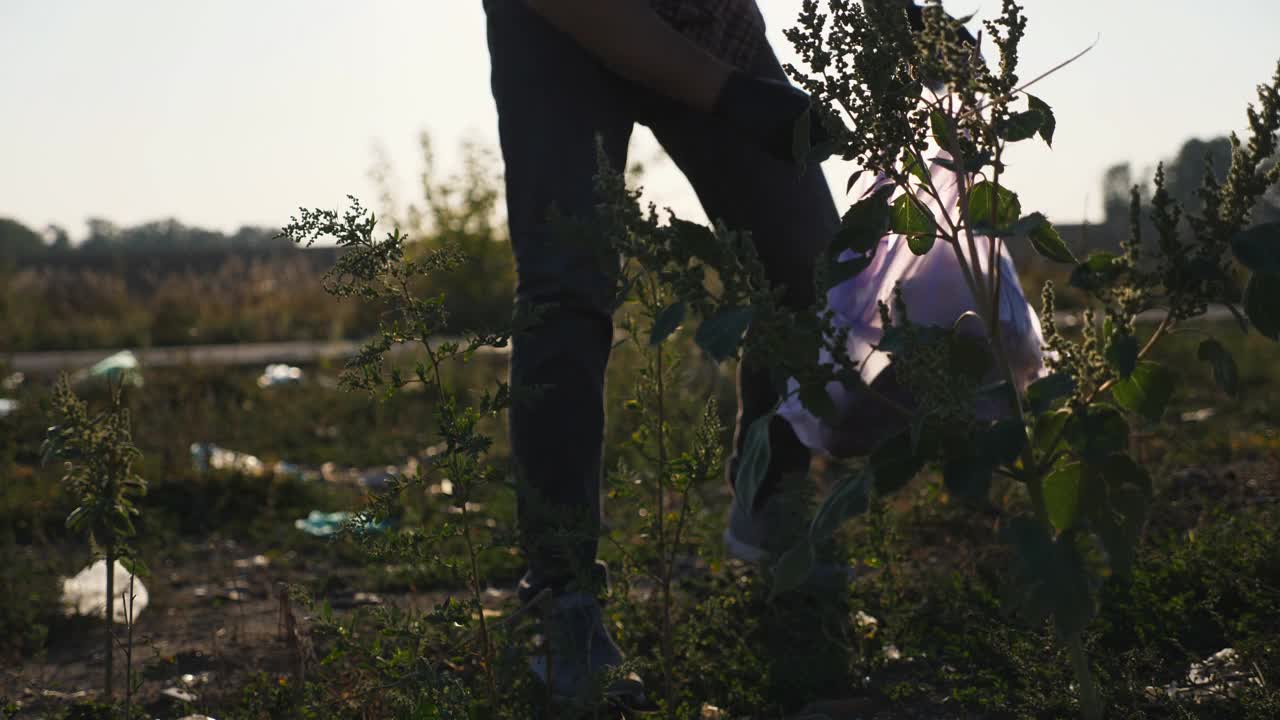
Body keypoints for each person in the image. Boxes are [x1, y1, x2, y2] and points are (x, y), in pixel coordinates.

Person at [482, 0, 841, 707]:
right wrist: (731, 96)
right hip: (560, 30)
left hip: (704, 16)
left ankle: (773, 513)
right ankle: (561, 602)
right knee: (567, 288)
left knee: (811, 264)